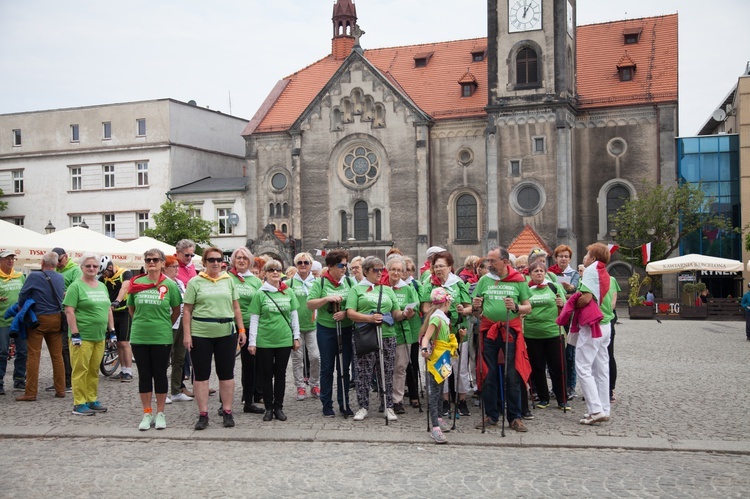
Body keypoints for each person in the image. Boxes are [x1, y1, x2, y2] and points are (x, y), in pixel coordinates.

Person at [183, 247, 246, 430]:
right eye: (211, 260)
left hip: (226, 332)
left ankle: (227, 411)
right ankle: (203, 414)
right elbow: (187, 309)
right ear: (204, 262)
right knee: (201, 375)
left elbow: (236, 308)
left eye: (219, 259)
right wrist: (187, 335)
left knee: (226, 374)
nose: (216, 263)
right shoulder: (195, 282)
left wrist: (241, 330)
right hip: (201, 333)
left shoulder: (229, 281)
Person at [472, 246, 532, 432]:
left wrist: (515, 307)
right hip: (489, 330)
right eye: (488, 261)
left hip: (510, 330)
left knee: (512, 375)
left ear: (505, 262)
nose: (489, 264)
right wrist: (476, 307)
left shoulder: (518, 279)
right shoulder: (484, 280)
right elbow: (476, 310)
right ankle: (491, 414)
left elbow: (527, 307)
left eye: (493, 261)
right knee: (488, 373)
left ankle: (515, 417)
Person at [346, 256, 405, 422]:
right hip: (365, 335)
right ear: (366, 272)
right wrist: (369, 319)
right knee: (363, 372)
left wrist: (406, 313)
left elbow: (396, 313)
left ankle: (388, 406)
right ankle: (363, 406)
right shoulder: (357, 289)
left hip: (387, 335)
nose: (379, 273)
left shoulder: (387, 290)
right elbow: (350, 312)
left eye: (381, 270)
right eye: (375, 270)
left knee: (386, 371)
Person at [127, 249, 181, 429]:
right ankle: (146, 412)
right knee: (144, 375)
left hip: (161, 336)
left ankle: (160, 413)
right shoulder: (136, 283)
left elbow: (176, 311)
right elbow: (131, 308)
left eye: (155, 260)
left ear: (162, 263)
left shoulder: (170, 285)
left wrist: (163, 324)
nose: (151, 263)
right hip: (140, 335)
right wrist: (142, 322)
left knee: (159, 374)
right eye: (148, 260)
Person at [562, 242, 613, 425]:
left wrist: (572, 303)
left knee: (582, 366)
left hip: (592, 325)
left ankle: (596, 409)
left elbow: (587, 298)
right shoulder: (604, 271)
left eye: (587, 254)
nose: (584, 257)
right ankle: (604, 408)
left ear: (593, 257)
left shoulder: (592, 270)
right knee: (601, 369)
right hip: (605, 324)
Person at [419, 251, 472, 417]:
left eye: (442, 266)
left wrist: (464, 310)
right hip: (439, 333)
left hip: (458, 330)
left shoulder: (458, 284)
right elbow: (425, 308)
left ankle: (461, 399)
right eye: (436, 266)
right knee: (442, 365)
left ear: (450, 267)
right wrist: (439, 311)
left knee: (460, 367)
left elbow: (469, 307)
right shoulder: (430, 284)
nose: (438, 269)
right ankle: (445, 399)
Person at [248, 260, 301, 421]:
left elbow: (294, 316)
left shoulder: (288, 292)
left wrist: (296, 337)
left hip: (284, 339)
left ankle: (279, 407)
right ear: (265, 273)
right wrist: (252, 341)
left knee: (280, 374)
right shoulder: (260, 293)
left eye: (278, 270)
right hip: (265, 340)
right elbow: (254, 319)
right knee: (266, 374)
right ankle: (268, 408)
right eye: (271, 270)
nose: (275, 273)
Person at [63, 254, 115, 416]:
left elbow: (107, 309)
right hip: (82, 336)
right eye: (88, 266)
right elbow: (69, 310)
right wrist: (75, 333)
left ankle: (92, 399)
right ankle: (79, 403)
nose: (92, 268)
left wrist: (111, 330)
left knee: (93, 370)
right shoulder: (76, 286)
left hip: (99, 336)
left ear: (99, 268)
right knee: (80, 369)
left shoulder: (102, 286)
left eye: (94, 266)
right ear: (82, 268)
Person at [307, 250, 355, 418]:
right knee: (327, 367)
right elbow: (310, 305)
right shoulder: (320, 283)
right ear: (330, 266)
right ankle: (327, 404)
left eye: (346, 265)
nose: (344, 268)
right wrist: (326, 299)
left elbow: (355, 304)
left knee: (344, 368)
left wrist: (346, 313)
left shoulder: (349, 282)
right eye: (341, 265)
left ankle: (344, 403)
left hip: (346, 328)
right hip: (326, 330)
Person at [16, 251, 66, 401]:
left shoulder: (34, 276)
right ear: (56, 264)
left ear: (42, 263)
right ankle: (61, 389)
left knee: (33, 355)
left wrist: (20, 311)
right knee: (57, 356)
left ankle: (30, 393)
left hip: (38, 319)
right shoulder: (60, 277)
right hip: (56, 319)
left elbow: (22, 295)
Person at [524, 260, 567, 410]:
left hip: (553, 332)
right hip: (532, 333)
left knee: (557, 366)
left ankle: (562, 398)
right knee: (537, 367)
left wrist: (561, 304)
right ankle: (543, 398)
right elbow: (522, 307)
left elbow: (566, 306)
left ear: (546, 273)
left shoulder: (554, 287)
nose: (539, 273)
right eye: (535, 271)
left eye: (541, 271)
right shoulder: (526, 289)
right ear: (530, 275)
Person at [226, 247, 264, 413]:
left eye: (245, 258)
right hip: (229, 325)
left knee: (250, 365)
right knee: (226, 365)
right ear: (233, 260)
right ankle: (224, 403)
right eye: (238, 258)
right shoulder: (226, 278)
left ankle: (248, 401)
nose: (241, 260)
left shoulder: (255, 281)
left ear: (250, 262)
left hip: (250, 326)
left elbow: (260, 304)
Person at [420, 288, 458, 444]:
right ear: (447, 302)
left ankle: (439, 417)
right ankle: (435, 426)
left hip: (444, 356)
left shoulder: (443, 318)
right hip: (437, 358)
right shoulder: (436, 318)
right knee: (435, 392)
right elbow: (426, 337)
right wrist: (424, 348)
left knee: (441, 389)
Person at [385, 255, 419, 414]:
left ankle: (397, 400)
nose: (396, 273)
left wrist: (410, 312)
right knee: (385, 368)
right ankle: (384, 399)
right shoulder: (381, 287)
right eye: (393, 269)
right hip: (384, 332)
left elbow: (416, 306)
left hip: (402, 333)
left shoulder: (408, 288)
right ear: (387, 270)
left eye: (399, 270)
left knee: (400, 368)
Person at [288, 252, 321, 401]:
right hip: (295, 326)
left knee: (315, 357)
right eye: (300, 262)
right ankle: (300, 386)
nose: (303, 265)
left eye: (306, 262)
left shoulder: (317, 282)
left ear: (310, 265)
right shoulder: (289, 283)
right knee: (297, 358)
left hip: (313, 325)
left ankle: (315, 384)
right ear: (296, 265)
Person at [162, 255, 193, 403]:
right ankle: (161, 392)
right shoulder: (163, 282)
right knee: (163, 358)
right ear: (165, 268)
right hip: (167, 322)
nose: (176, 269)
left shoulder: (179, 282)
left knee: (179, 357)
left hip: (181, 321)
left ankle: (176, 389)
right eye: (173, 267)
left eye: (177, 266)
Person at [98, 256, 134, 383]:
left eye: (105, 272)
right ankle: (123, 370)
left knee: (124, 343)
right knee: (117, 342)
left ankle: (128, 371)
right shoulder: (104, 278)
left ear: (110, 267)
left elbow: (125, 287)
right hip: (111, 313)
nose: (104, 275)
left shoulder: (125, 273)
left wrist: (117, 301)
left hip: (124, 312)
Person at [52, 247, 81, 392]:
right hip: (55, 312)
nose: (57, 263)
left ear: (65, 257)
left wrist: (63, 293)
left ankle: (68, 381)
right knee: (57, 347)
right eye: (55, 261)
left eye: (59, 260)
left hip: (69, 313)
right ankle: (59, 380)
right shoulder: (55, 271)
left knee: (65, 347)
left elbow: (77, 290)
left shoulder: (75, 270)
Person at [0, 250, 26, 395]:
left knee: (23, 351)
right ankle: (0, 382)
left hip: (20, 319)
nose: (10, 261)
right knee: (2, 351)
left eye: (12, 258)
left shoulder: (20, 277)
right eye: (7, 259)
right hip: (2, 320)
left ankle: (19, 378)